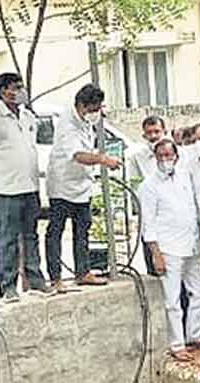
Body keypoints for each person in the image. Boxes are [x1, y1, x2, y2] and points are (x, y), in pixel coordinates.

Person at [0, 72, 51, 301]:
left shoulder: (27, 117)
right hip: (6, 188)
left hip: (30, 185)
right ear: (4, 91)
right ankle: (7, 285)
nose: (20, 90)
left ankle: (35, 279)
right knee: (8, 237)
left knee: (31, 235)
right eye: (16, 87)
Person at [44, 84, 121, 291]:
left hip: (81, 185)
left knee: (83, 228)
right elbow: (78, 155)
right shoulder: (67, 125)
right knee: (56, 231)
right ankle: (55, 277)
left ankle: (83, 271)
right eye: (93, 109)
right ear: (81, 105)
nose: (96, 113)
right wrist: (103, 160)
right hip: (62, 184)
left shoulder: (85, 122)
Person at [141, 139, 200, 359]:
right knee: (172, 300)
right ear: (155, 157)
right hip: (168, 248)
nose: (165, 160)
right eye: (161, 156)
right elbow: (148, 223)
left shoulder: (185, 177)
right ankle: (177, 344)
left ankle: (195, 333)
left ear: (176, 156)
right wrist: (156, 253)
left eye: (169, 155)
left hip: (192, 245)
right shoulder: (148, 186)